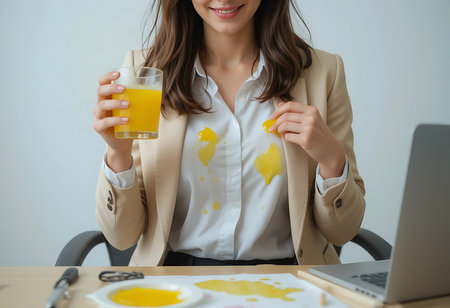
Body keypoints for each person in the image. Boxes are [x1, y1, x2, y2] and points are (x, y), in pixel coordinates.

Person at [93, 0, 365, 266]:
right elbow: (122, 236)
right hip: (177, 281)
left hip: (288, 282)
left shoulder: (324, 73)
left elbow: (342, 231)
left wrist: (332, 161)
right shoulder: (145, 73)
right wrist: (119, 153)